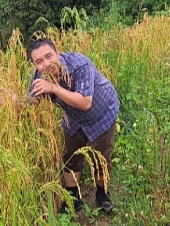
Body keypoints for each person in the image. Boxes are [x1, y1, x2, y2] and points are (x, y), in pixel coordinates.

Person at [22, 38, 119, 215]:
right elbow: (32, 101)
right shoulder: (40, 76)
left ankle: (102, 194)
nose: (46, 64)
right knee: (71, 157)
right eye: (39, 62)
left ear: (57, 53)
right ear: (35, 65)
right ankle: (73, 198)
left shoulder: (80, 65)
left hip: (101, 113)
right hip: (73, 119)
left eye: (49, 56)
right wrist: (15, 102)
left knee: (100, 157)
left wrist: (54, 88)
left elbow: (85, 102)